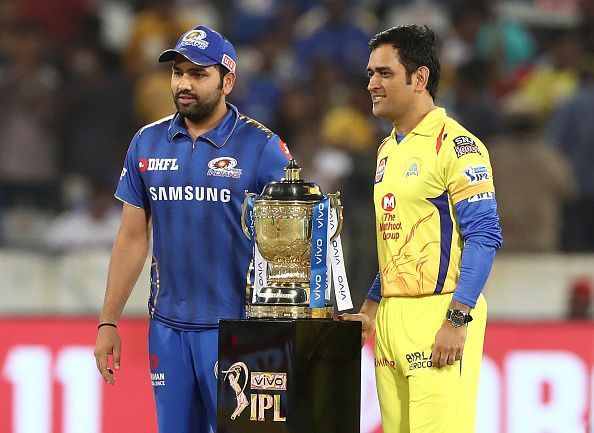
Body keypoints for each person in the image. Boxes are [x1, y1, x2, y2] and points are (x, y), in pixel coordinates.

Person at [93, 25, 292, 433]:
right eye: (178, 73)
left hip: (240, 334)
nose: (184, 83)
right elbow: (131, 239)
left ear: (228, 81)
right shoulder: (146, 143)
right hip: (167, 330)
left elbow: (297, 248)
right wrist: (108, 321)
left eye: (198, 74)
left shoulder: (263, 148)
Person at [341, 25, 503, 433]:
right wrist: (374, 304)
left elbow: (485, 236)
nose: (372, 84)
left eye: (384, 73)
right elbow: (399, 239)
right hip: (392, 321)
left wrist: (458, 317)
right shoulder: (386, 149)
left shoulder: (456, 145)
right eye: (370, 74)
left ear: (419, 78)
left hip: (440, 313)